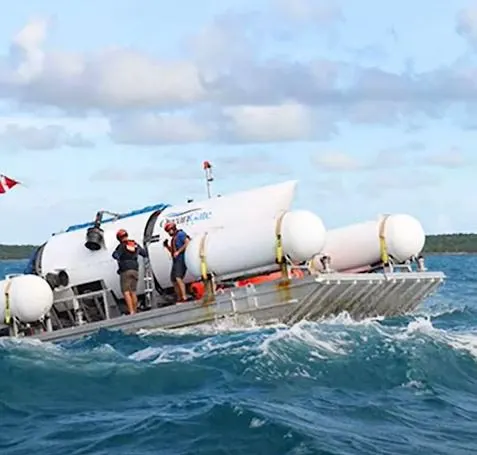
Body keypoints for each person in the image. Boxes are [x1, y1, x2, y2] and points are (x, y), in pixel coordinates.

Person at [112, 229, 148, 315]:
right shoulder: (134, 244)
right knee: (133, 291)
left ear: (119, 238)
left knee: (126, 291)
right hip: (135, 269)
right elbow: (144, 253)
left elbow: (115, 255)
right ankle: (135, 310)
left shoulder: (121, 246)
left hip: (125, 270)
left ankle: (131, 311)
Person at [163, 221, 190, 303]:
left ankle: (184, 297)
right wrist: (167, 246)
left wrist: (179, 252)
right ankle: (179, 297)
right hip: (176, 260)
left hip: (181, 259)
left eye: (169, 231)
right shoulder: (173, 239)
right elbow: (173, 251)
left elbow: (187, 242)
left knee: (178, 278)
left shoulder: (180, 234)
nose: (168, 233)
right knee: (174, 279)